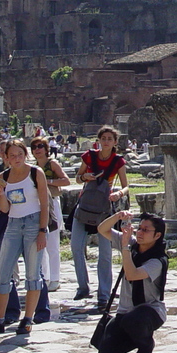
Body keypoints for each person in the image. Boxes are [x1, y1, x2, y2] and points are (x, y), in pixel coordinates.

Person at [0, 138, 50, 335]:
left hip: (34, 223)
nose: (16, 158)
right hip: (13, 224)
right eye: (12, 155)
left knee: (33, 273)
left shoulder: (36, 173)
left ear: (25, 155)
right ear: (6, 157)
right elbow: (5, 209)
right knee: (3, 272)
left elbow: (44, 204)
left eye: (20, 154)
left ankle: (27, 319)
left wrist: (43, 230)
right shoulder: (3, 176)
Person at [95, 211, 168, 353]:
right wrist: (117, 216)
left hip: (149, 311)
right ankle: (135, 338)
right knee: (106, 351)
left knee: (134, 321)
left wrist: (125, 248)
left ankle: (146, 344)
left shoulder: (158, 261)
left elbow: (132, 275)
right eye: (139, 228)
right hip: (125, 311)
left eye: (146, 230)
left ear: (157, 235)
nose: (140, 232)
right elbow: (102, 229)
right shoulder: (131, 243)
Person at [72, 126, 129, 305]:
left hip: (104, 207)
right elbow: (77, 177)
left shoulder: (118, 161)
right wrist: (85, 177)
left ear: (115, 142)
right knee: (75, 246)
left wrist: (119, 194)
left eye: (109, 139)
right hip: (85, 204)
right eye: (103, 138)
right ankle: (83, 287)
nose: (106, 141)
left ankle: (104, 294)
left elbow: (127, 186)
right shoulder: (89, 156)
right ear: (99, 140)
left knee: (105, 253)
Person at [32, 136, 70, 291]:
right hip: (38, 205)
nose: (37, 149)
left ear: (46, 148)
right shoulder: (33, 167)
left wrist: (47, 182)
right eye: (34, 147)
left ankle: (55, 278)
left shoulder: (52, 164)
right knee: (40, 243)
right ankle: (45, 276)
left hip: (52, 203)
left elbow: (66, 180)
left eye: (40, 146)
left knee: (53, 243)